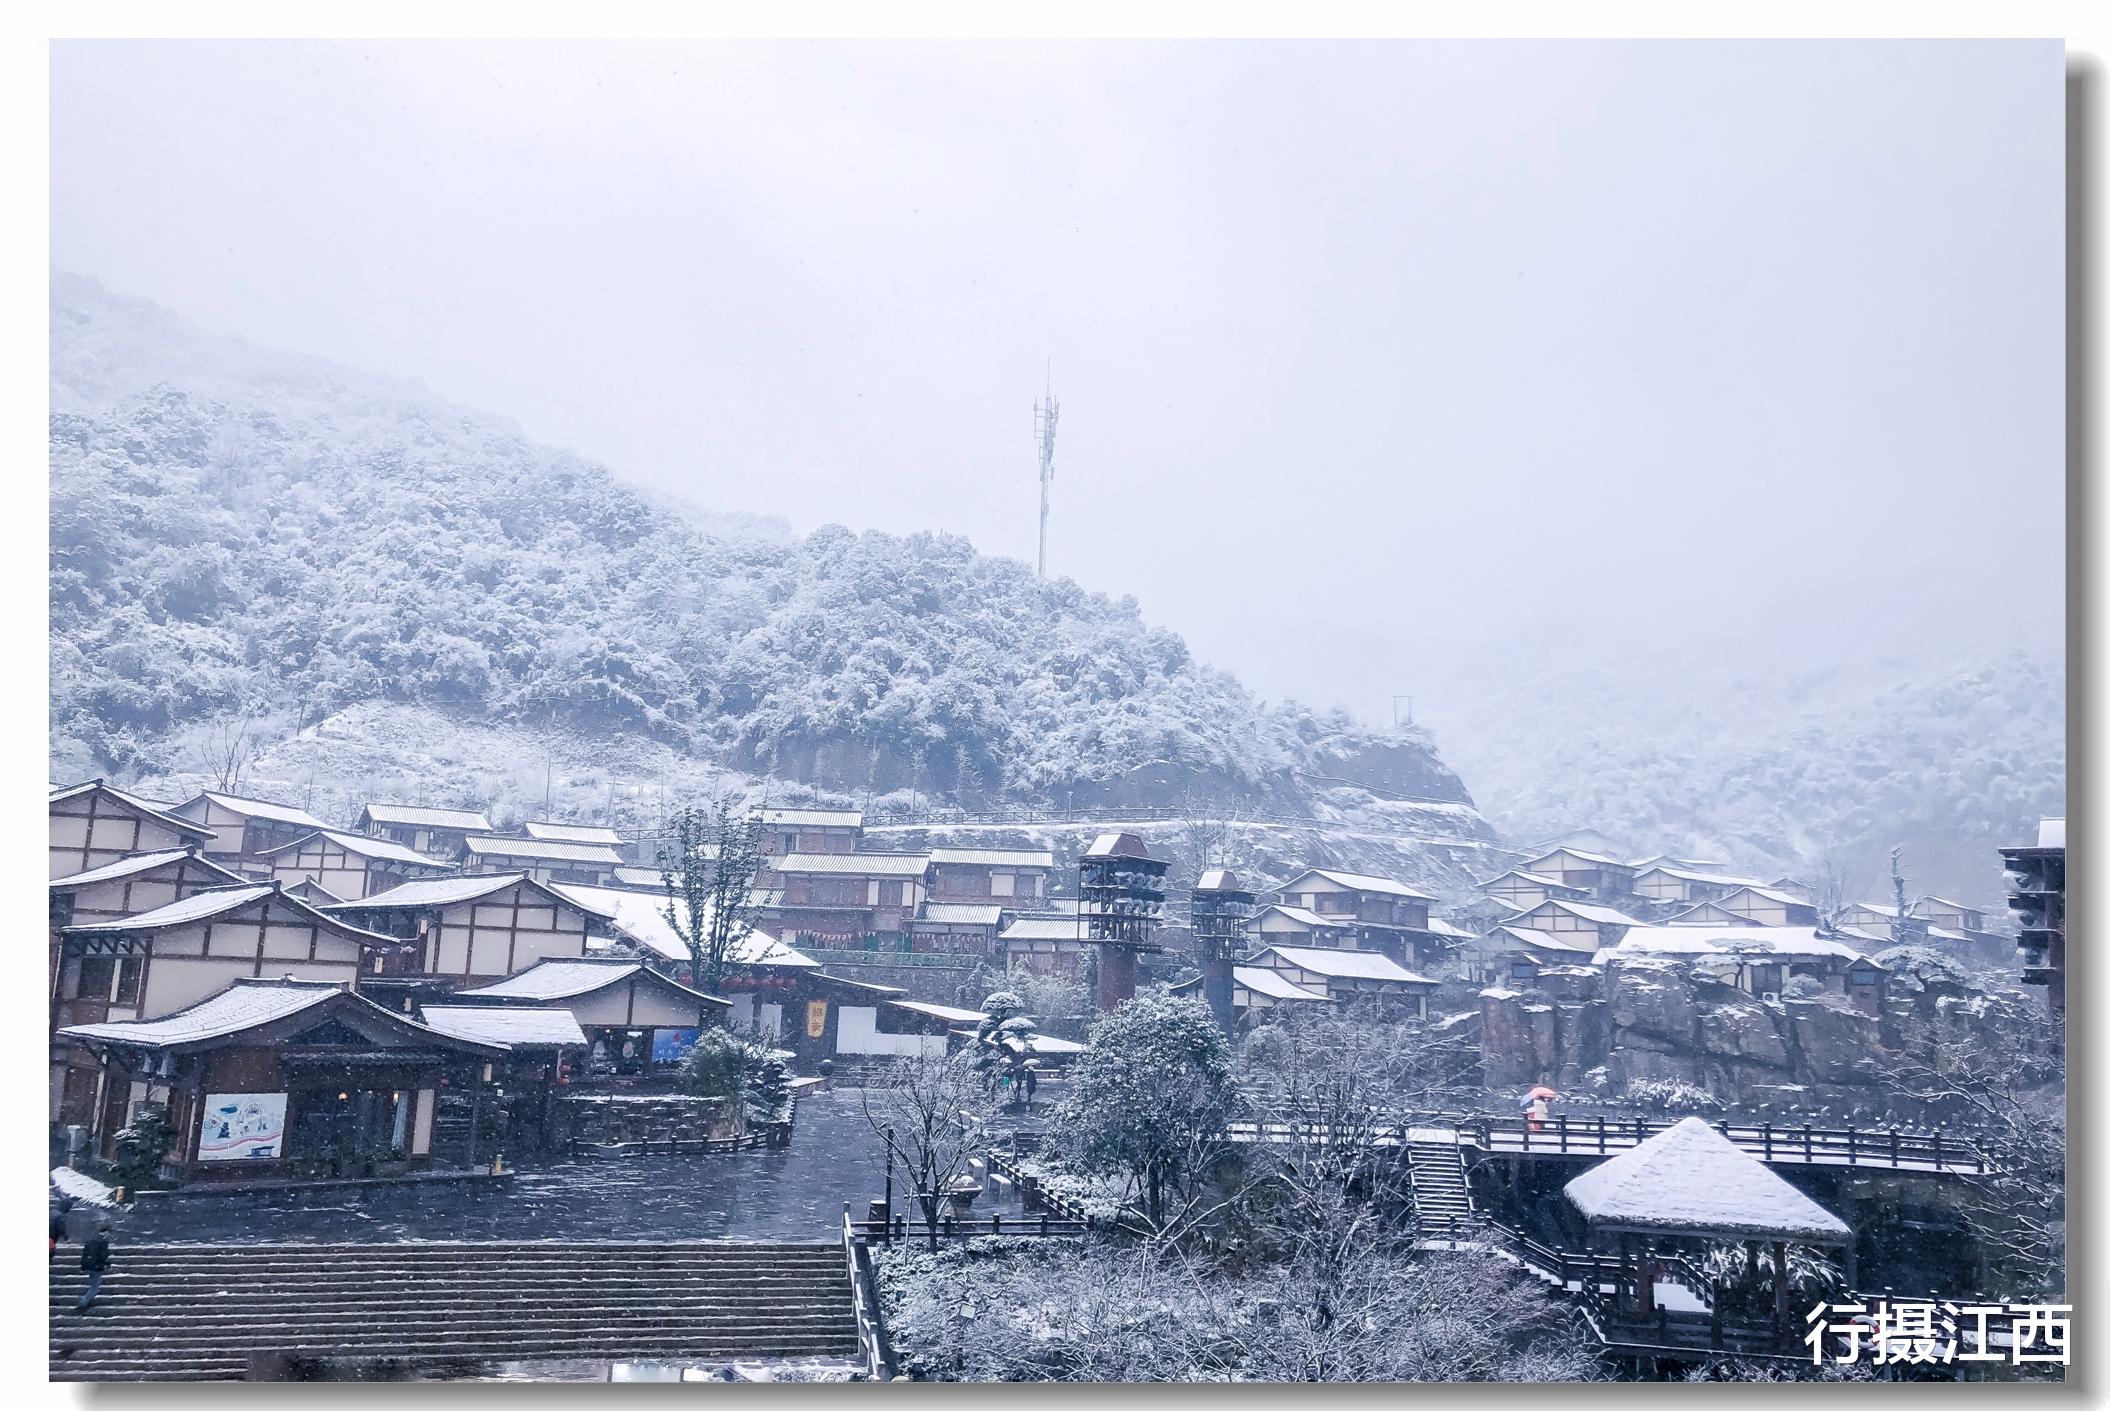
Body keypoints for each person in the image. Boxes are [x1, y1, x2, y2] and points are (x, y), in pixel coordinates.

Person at [74, 1219, 111, 1313]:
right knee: (95, 1286)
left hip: (88, 1265)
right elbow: (103, 1255)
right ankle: (84, 1302)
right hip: (97, 1266)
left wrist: (83, 1264)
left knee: (93, 1283)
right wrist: (107, 1264)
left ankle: (88, 1300)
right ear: (106, 1232)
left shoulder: (91, 1240)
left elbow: (85, 1252)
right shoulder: (103, 1242)